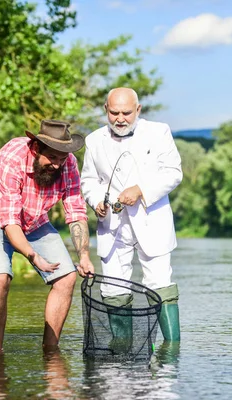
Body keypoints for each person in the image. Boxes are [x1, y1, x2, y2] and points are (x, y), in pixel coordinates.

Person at [0, 119, 95, 352]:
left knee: (67, 277)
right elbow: (10, 222)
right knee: (0, 278)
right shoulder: (13, 158)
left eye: (62, 158)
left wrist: (85, 255)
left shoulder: (68, 164)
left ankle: (50, 351)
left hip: (35, 220)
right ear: (37, 148)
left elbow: (76, 212)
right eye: (52, 158)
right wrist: (32, 255)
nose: (57, 165)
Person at [80, 87, 182, 341]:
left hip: (152, 221)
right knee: (113, 287)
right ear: (106, 110)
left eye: (127, 112)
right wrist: (96, 201)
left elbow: (173, 173)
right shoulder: (93, 140)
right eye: (114, 112)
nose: (120, 118)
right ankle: (121, 351)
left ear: (138, 110)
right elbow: (89, 181)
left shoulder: (159, 132)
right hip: (112, 225)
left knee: (160, 283)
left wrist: (141, 190)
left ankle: (171, 351)